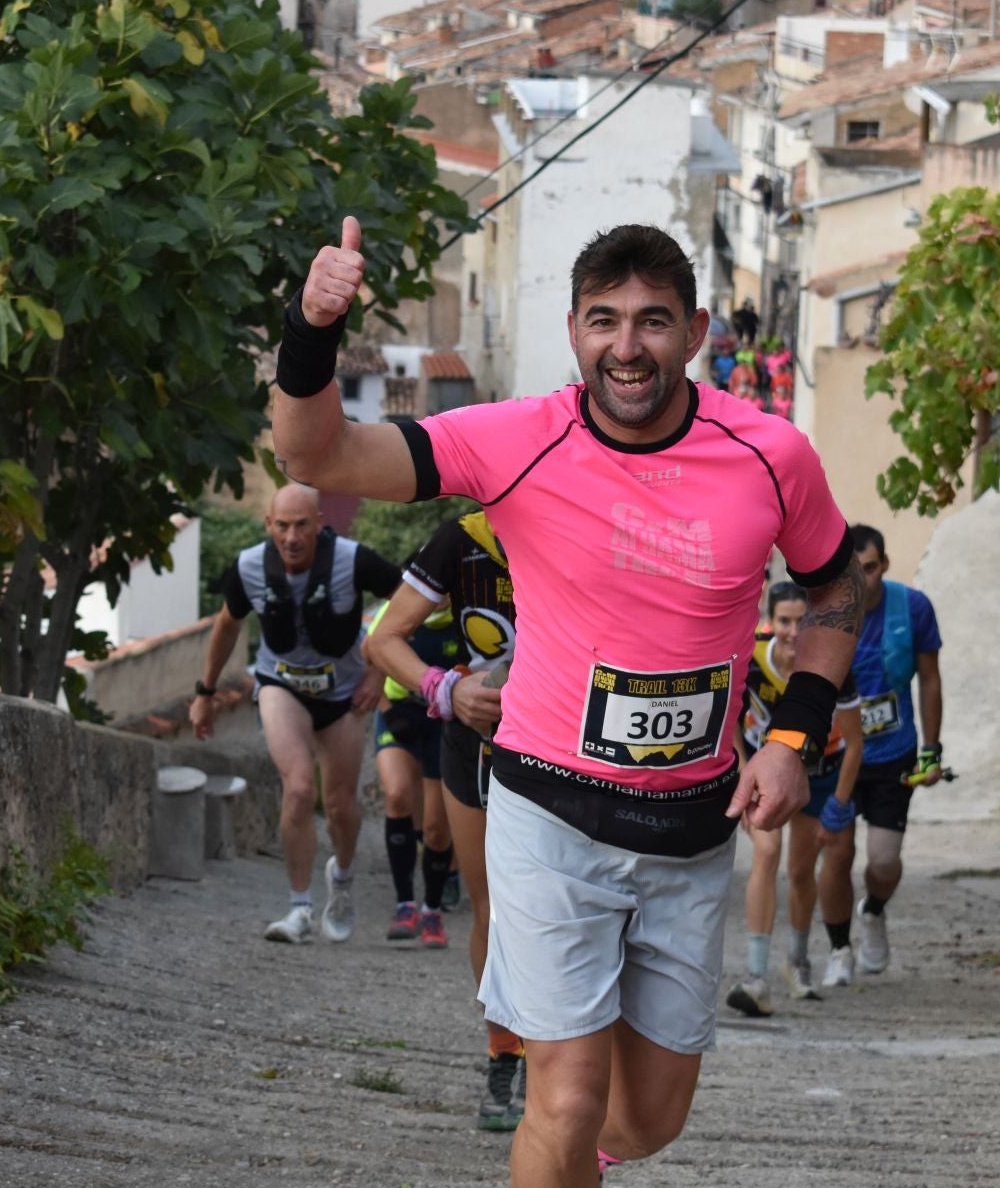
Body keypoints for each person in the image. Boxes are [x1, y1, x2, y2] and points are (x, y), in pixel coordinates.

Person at [273, 218, 863, 1187]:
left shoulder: (769, 453)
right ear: (574, 329)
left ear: (696, 330)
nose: (626, 346)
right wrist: (313, 326)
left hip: (690, 827)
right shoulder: (516, 438)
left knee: (645, 1117)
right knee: (566, 1088)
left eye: (652, 321)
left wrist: (792, 733)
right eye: (604, 320)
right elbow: (319, 455)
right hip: (548, 809)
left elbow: (837, 586)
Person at [365, 507, 527, 1132]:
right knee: (490, 908)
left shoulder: (586, 519)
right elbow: (380, 639)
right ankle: (503, 1055)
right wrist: (444, 690)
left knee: (556, 907)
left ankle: (559, 1056)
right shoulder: (464, 539)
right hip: (478, 735)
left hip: (565, 744)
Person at [189, 484, 401, 943]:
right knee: (300, 788)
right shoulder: (249, 566)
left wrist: (379, 671)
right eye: (282, 525)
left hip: (343, 691)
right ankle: (299, 908)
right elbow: (227, 625)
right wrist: (205, 693)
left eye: (302, 525)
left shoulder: (353, 559)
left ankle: (341, 881)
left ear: (319, 523)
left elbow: (410, 600)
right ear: (269, 525)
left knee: (342, 805)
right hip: (280, 684)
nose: (291, 536)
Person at [727, 581, 864, 1015]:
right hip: (761, 770)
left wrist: (838, 807)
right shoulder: (751, 659)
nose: (791, 631)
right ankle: (755, 976)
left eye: (800, 621)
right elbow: (729, 716)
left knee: (802, 871)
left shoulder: (832, 665)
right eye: (783, 621)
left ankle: (798, 960)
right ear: (770, 621)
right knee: (766, 852)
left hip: (817, 774)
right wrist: (743, 765)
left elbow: (856, 744)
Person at [837, 524, 944, 985]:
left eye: (872, 569)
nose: (865, 581)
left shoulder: (913, 607)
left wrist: (931, 752)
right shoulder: (826, 610)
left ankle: (874, 909)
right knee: (836, 855)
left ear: (885, 564)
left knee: (882, 861)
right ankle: (838, 950)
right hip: (838, 754)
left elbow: (930, 680)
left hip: (893, 752)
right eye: (855, 572)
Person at [364, 598, 460, 947]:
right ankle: (405, 905)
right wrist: (387, 708)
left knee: (436, 828)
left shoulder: (464, 614)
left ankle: (432, 910)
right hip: (398, 714)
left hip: (444, 723)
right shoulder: (399, 608)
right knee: (397, 794)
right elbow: (370, 651)